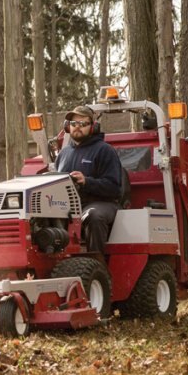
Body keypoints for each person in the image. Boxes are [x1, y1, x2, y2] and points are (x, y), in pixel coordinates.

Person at [54, 105, 124, 262]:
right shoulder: (63, 154)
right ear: (67, 126)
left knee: (93, 216)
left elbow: (114, 188)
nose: (77, 127)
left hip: (102, 203)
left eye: (83, 123)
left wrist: (87, 181)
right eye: (73, 123)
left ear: (93, 127)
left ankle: (96, 265)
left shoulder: (105, 151)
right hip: (68, 205)